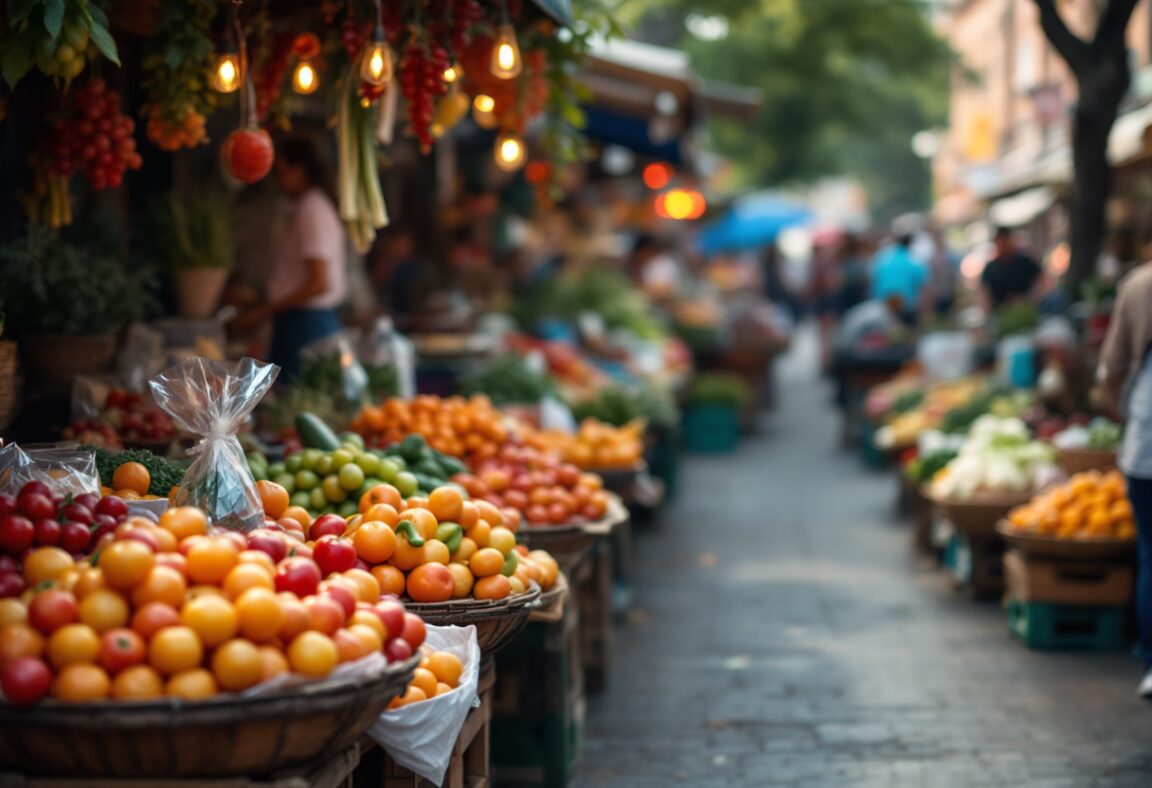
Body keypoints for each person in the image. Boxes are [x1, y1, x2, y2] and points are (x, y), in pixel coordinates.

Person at [232, 135, 346, 381]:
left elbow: (319, 282)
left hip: (306, 326)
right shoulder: (308, 207)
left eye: (282, 172)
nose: (278, 181)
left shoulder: (311, 209)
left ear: (300, 170)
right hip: (299, 322)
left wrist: (263, 311)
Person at [1098, 262, 1152, 697]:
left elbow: (1111, 366)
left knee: (1151, 556)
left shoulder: (1138, 285)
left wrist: (1117, 412)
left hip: (1146, 446)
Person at [870, 233, 927, 325]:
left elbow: (873, 279)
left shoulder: (882, 257)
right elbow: (924, 287)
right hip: (906, 306)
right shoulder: (915, 261)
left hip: (883, 305)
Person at [980, 226, 1042, 312]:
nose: (1003, 246)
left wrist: (1030, 297)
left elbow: (1041, 280)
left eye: (1005, 242)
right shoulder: (990, 268)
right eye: (1000, 243)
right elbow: (984, 296)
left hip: (1025, 308)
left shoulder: (1024, 261)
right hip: (1000, 314)